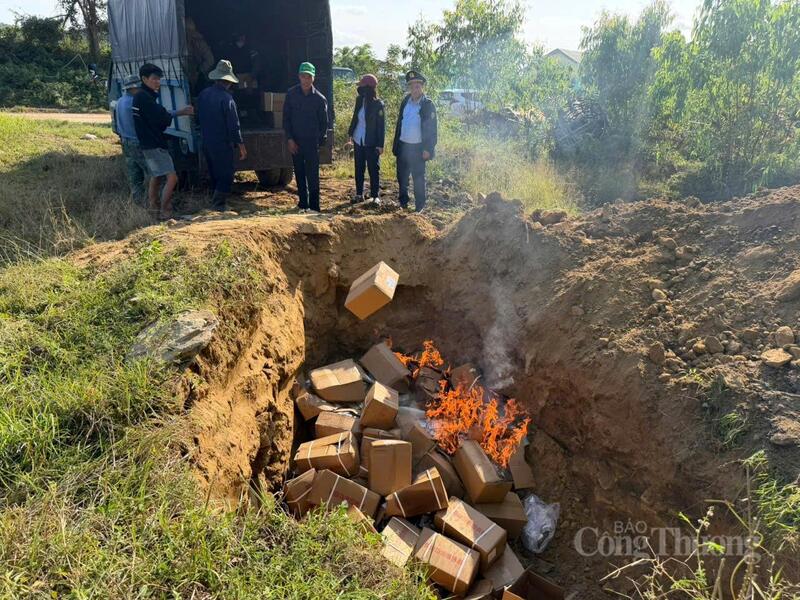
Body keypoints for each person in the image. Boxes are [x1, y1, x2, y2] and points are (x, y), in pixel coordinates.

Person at [133, 63, 194, 221]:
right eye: (154, 79)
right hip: (155, 143)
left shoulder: (141, 96)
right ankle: (165, 211)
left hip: (147, 144)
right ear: (144, 79)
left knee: (157, 176)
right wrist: (179, 113)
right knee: (172, 178)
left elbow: (160, 115)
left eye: (159, 79)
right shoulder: (145, 98)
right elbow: (162, 117)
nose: (157, 82)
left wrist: (178, 113)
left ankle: (153, 208)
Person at [197, 60, 247, 212]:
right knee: (226, 173)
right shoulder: (227, 99)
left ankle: (214, 200)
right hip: (222, 142)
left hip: (207, 140)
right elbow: (234, 125)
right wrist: (241, 146)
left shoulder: (203, 94)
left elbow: (198, 116)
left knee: (214, 172)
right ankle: (219, 204)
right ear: (229, 82)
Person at [284, 62, 329, 213]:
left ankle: (314, 207)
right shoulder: (291, 94)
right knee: (299, 172)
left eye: (309, 76)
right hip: (295, 142)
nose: (306, 79)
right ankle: (303, 203)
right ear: (299, 77)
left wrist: (319, 142)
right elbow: (286, 119)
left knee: (312, 174)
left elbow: (324, 123)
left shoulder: (319, 99)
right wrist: (290, 139)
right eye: (303, 76)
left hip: (311, 143)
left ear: (313, 78)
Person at [392, 70, 438, 213]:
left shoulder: (427, 104)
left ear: (422, 87)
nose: (414, 89)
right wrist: (396, 145)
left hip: (418, 148)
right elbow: (400, 123)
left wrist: (428, 149)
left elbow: (432, 129)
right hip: (403, 145)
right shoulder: (405, 101)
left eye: (417, 86)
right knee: (402, 177)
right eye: (412, 86)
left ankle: (419, 206)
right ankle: (403, 203)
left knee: (418, 178)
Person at [347, 74, 385, 204]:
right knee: (359, 167)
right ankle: (359, 194)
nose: (360, 89)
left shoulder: (378, 104)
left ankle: (375, 196)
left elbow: (381, 126)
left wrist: (380, 145)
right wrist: (350, 134)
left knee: (373, 169)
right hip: (358, 139)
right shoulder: (359, 100)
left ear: (369, 87)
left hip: (371, 141)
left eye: (362, 86)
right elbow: (355, 118)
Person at [114, 74, 148, 206]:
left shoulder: (120, 101)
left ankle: (138, 203)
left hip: (125, 141)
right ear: (133, 88)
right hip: (136, 142)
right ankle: (153, 202)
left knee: (134, 175)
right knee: (154, 173)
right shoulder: (134, 103)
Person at [186, 17, 215, 91]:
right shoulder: (179, 43)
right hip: (186, 77)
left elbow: (210, 59)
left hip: (199, 78)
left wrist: (199, 71)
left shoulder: (199, 42)